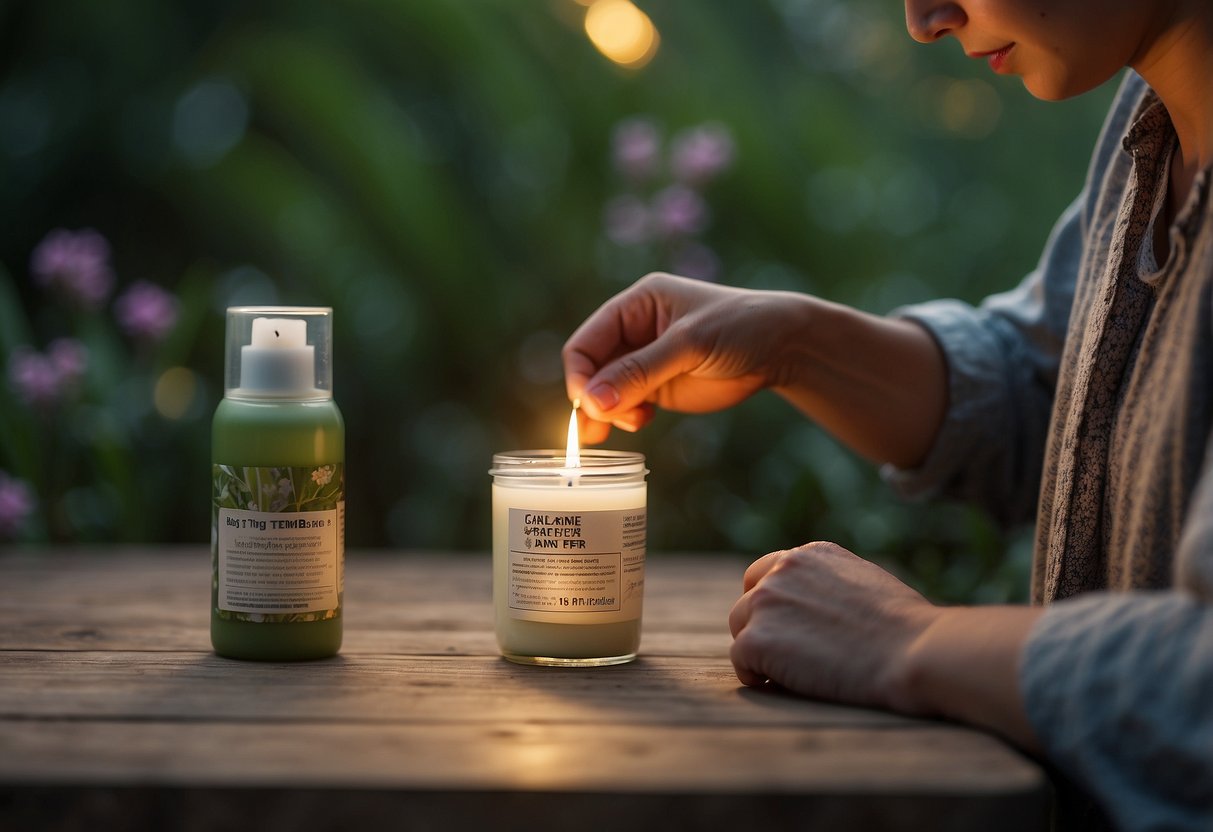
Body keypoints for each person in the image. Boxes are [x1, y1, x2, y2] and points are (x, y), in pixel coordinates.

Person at [561, 1, 1213, 829]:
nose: (923, 18)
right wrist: (792, 345)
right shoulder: (1150, 122)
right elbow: (1065, 404)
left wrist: (903, 641)